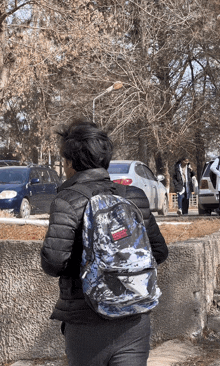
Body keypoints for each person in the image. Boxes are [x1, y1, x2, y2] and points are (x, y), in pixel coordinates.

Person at [40, 119, 168, 366]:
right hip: (135, 318)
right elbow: (159, 253)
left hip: (85, 320)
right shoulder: (134, 197)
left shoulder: (66, 200)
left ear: (69, 164)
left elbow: (53, 264)